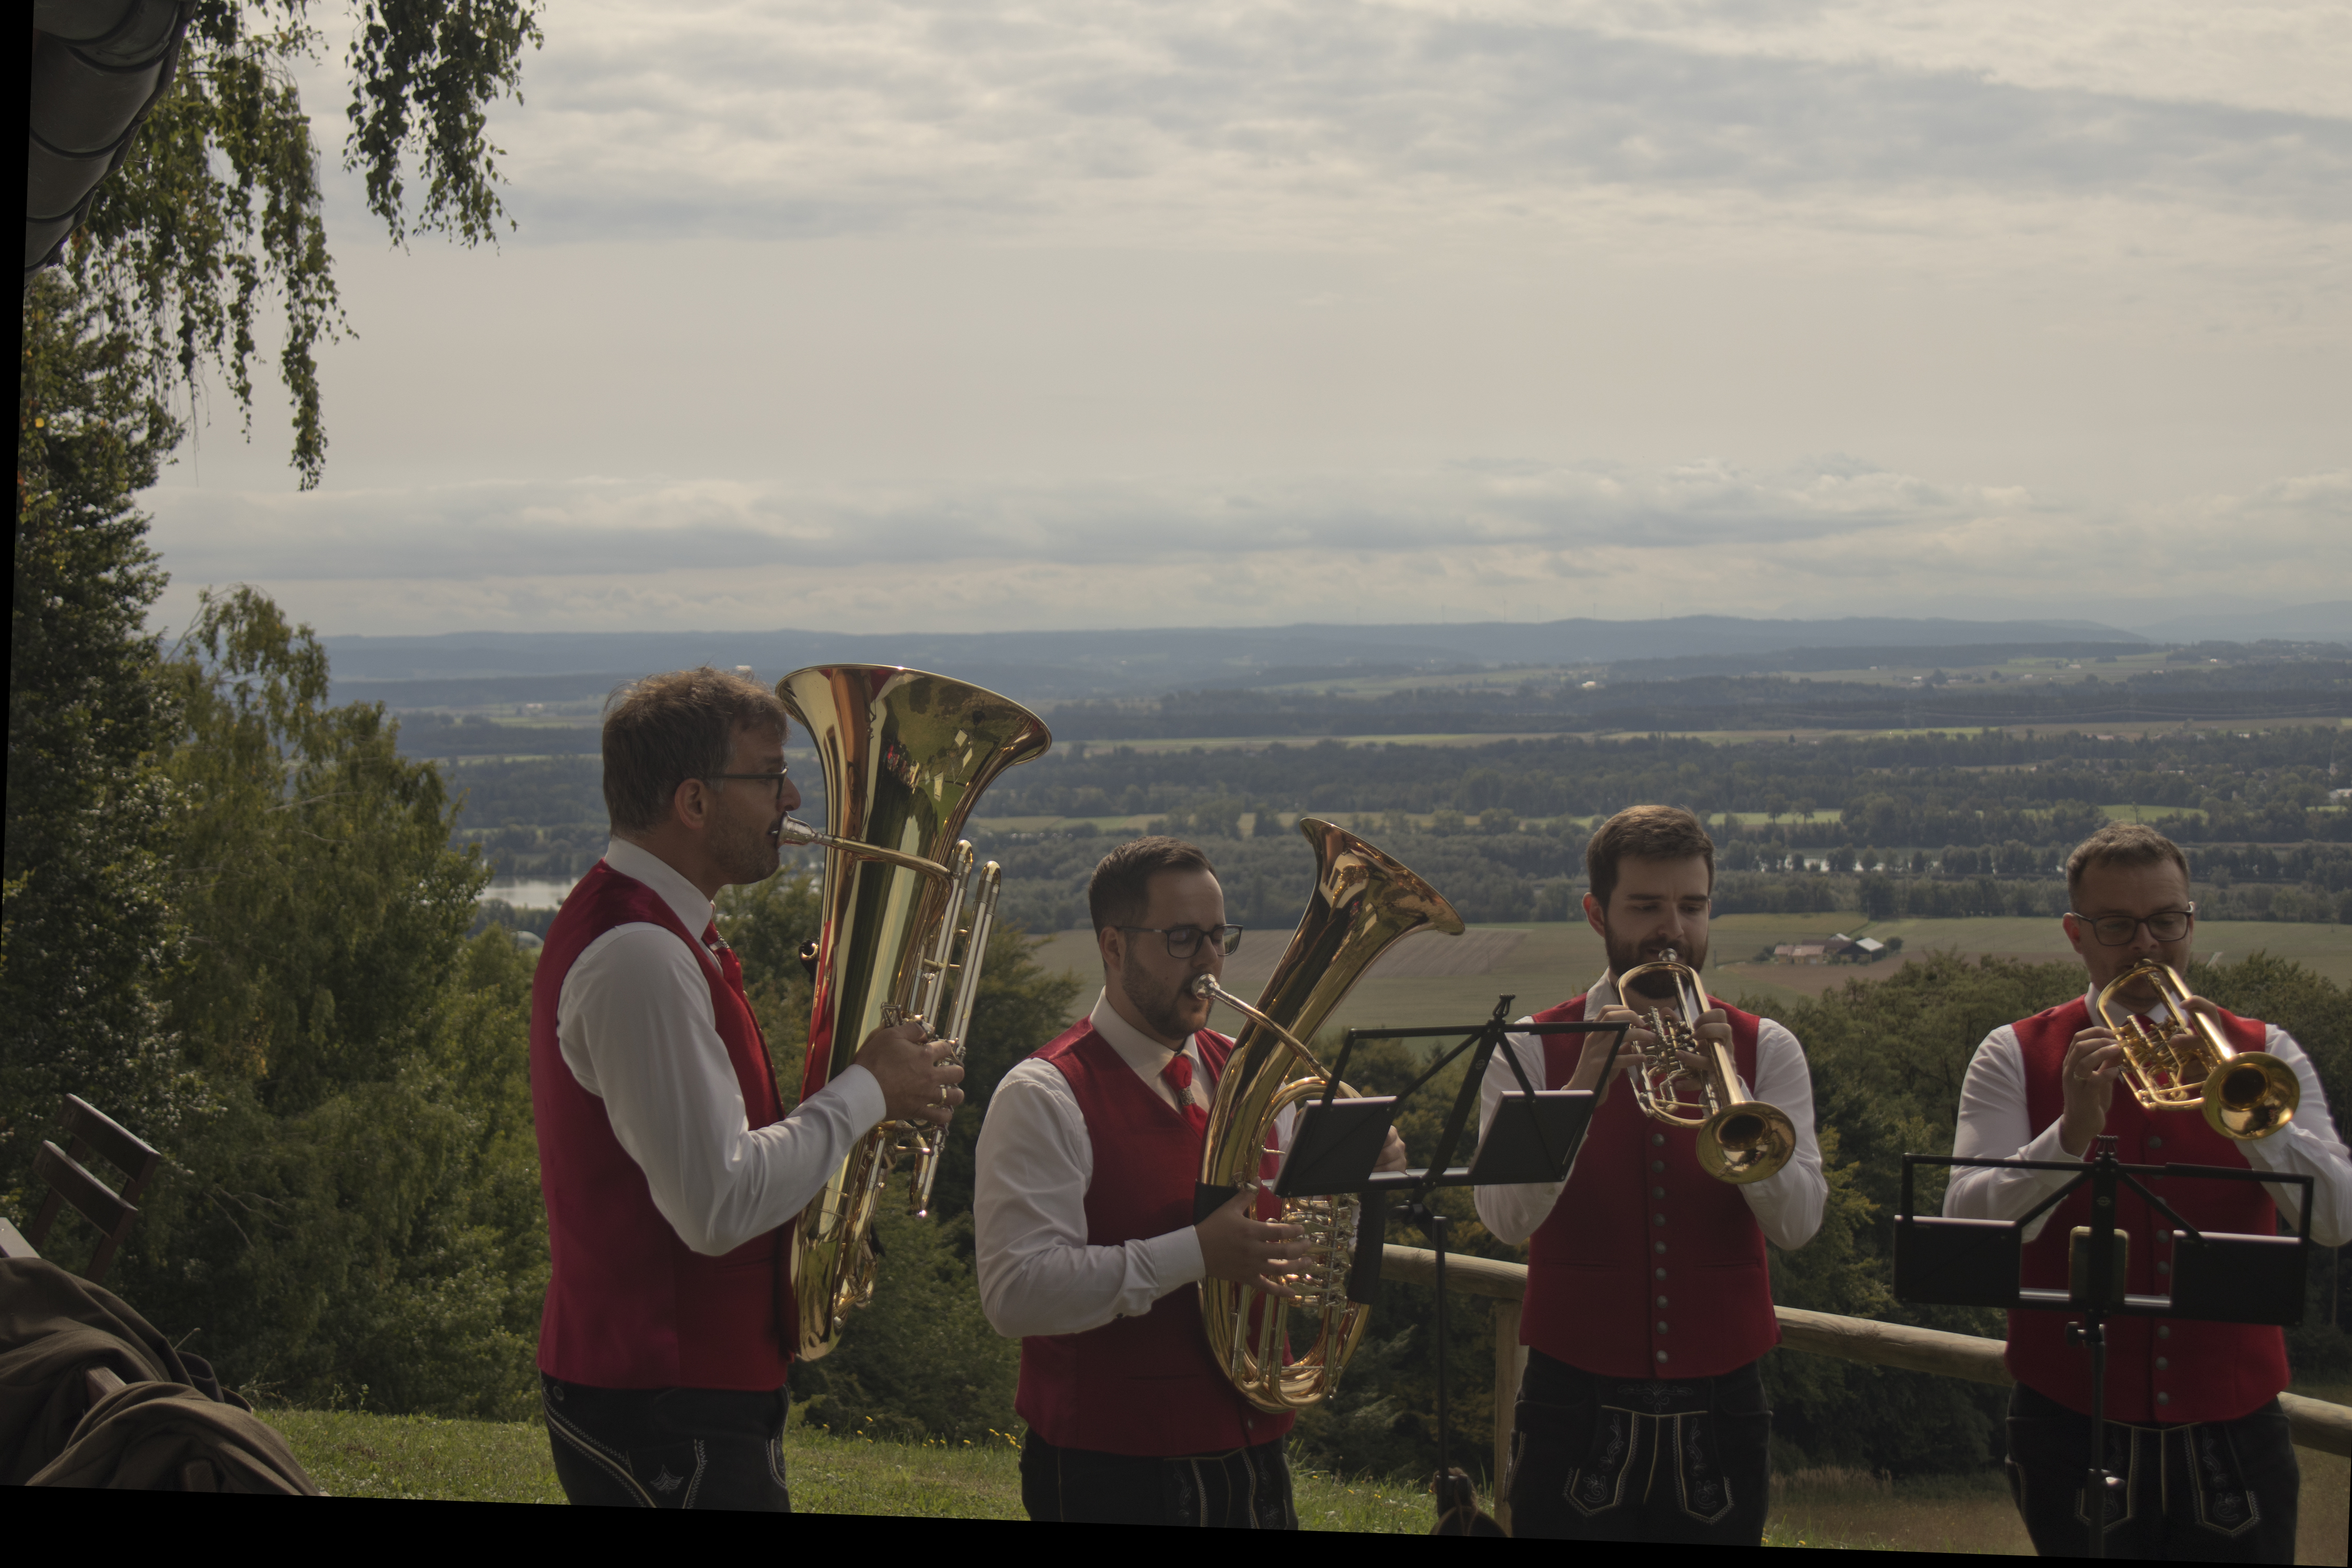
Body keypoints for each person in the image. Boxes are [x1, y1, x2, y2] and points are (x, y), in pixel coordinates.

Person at [529, 668, 962, 1509]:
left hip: (681, 1394)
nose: (794, 796)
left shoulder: (663, 934)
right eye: (768, 775)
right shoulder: (641, 955)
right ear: (694, 801)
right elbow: (716, 1205)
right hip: (665, 1403)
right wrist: (869, 1088)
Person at [972, 836, 1407, 1526]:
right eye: (1182, 938)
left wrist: (1358, 1183)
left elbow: (1303, 1253)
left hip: (1256, 1461)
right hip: (1112, 1475)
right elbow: (1015, 1295)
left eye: (1216, 937)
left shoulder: (1247, 1072)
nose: (1208, 961)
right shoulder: (1044, 1095)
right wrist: (1195, 1253)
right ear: (1113, 947)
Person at [1945, 824, 2351, 1560]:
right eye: (2118, 927)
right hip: (2068, 1423)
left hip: (2235, 1426)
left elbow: (2337, 1221)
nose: (2147, 948)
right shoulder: (2013, 1053)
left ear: (2189, 921)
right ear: (2076, 934)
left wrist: (2251, 1118)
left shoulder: (2267, 1049)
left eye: (2167, 922)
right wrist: (2069, 1133)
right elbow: (1967, 1223)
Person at [1475, 805, 1827, 1543]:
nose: (1673, 929)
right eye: (1646, 906)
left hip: (1725, 1404)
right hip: (1572, 1400)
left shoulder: (1771, 1049)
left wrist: (1737, 1103)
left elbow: (1799, 1227)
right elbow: (1504, 1220)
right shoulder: (1531, 1047)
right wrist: (1582, 1095)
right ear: (1596, 913)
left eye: (1692, 907)